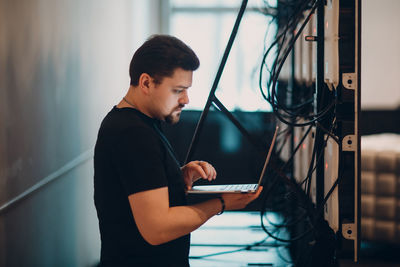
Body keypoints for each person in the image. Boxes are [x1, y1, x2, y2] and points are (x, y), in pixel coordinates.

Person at [93, 34, 262, 267]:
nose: (186, 99)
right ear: (146, 83)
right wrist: (222, 204)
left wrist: (176, 176)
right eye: (178, 90)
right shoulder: (132, 133)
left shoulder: (137, 124)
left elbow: (136, 187)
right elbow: (157, 229)